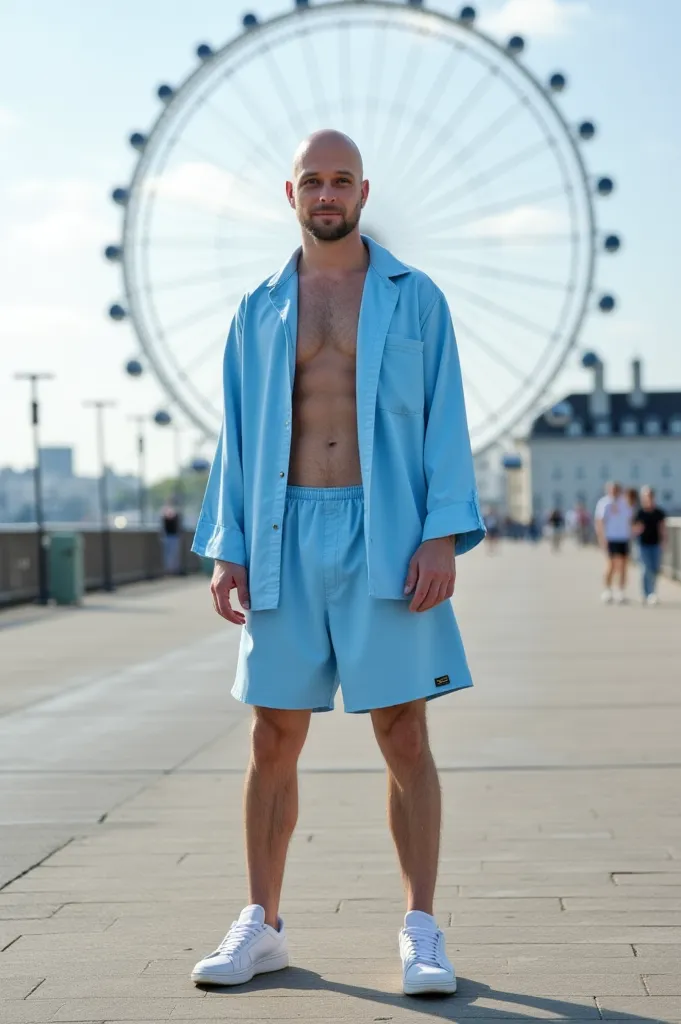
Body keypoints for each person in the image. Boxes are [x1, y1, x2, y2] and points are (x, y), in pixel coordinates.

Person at [190, 130, 485, 996]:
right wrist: (227, 546)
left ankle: (421, 930)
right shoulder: (258, 306)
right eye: (313, 181)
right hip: (283, 531)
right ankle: (262, 925)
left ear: (364, 192)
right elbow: (238, 434)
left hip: (386, 532)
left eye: (341, 181)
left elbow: (446, 418)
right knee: (272, 734)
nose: (327, 195)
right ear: (291, 195)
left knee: (404, 732)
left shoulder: (414, 298)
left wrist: (442, 533)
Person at [594, 481, 634, 604]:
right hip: (611, 537)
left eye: (616, 489)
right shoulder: (604, 502)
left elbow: (629, 519)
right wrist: (601, 538)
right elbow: (599, 521)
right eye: (612, 489)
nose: (614, 491)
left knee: (623, 565)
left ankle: (620, 591)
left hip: (623, 537)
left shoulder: (625, 502)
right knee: (611, 564)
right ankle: (607, 590)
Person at [633, 486, 667, 605]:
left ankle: (652, 593)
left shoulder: (659, 512)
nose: (649, 498)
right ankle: (646, 593)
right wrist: (638, 529)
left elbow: (662, 529)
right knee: (646, 569)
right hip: (643, 544)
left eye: (650, 496)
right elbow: (633, 529)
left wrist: (664, 542)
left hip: (655, 544)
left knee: (655, 569)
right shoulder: (639, 512)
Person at [160, 503, 182, 574]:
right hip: (167, 537)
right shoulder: (164, 517)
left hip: (174, 536)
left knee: (174, 554)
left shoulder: (176, 516)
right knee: (168, 554)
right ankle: (169, 569)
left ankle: (175, 569)